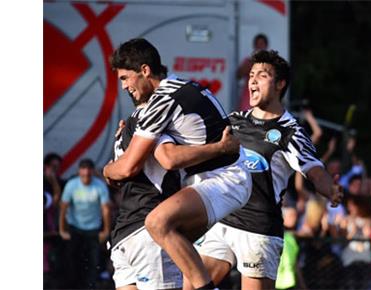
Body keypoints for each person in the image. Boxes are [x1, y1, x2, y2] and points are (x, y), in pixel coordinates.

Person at [103, 38, 251, 290]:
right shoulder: (179, 87)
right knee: (178, 257)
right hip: (210, 180)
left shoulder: (162, 101)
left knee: (157, 224)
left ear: (145, 70)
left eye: (125, 78)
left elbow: (146, 164)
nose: (125, 86)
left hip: (224, 178)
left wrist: (106, 169)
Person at [189, 50, 343, 290]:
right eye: (251, 75)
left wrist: (330, 189)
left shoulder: (291, 132)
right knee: (193, 286)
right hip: (223, 219)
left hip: (258, 230)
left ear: (280, 84)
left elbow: (314, 170)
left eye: (261, 75)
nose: (252, 80)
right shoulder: (234, 120)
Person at [59, 158, 111, 289]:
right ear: (79, 173)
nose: (86, 177)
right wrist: (62, 229)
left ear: (92, 172)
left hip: (93, 227)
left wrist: (106, 230)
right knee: (72, 259)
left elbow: (106, 209)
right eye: (83, 174)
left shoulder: (99, 185)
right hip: (74, 226)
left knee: (93, 261)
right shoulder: (72, 185)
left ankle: (90, 286)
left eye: (88, 174)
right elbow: (63, 208)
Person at [236, 33, 268, 111]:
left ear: (266, 46)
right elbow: (238, 75)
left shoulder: (271, 63)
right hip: (248, 100)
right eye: (258, 44)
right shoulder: (249, 61)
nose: (260, 47)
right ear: (254, 46)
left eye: (262, 44)